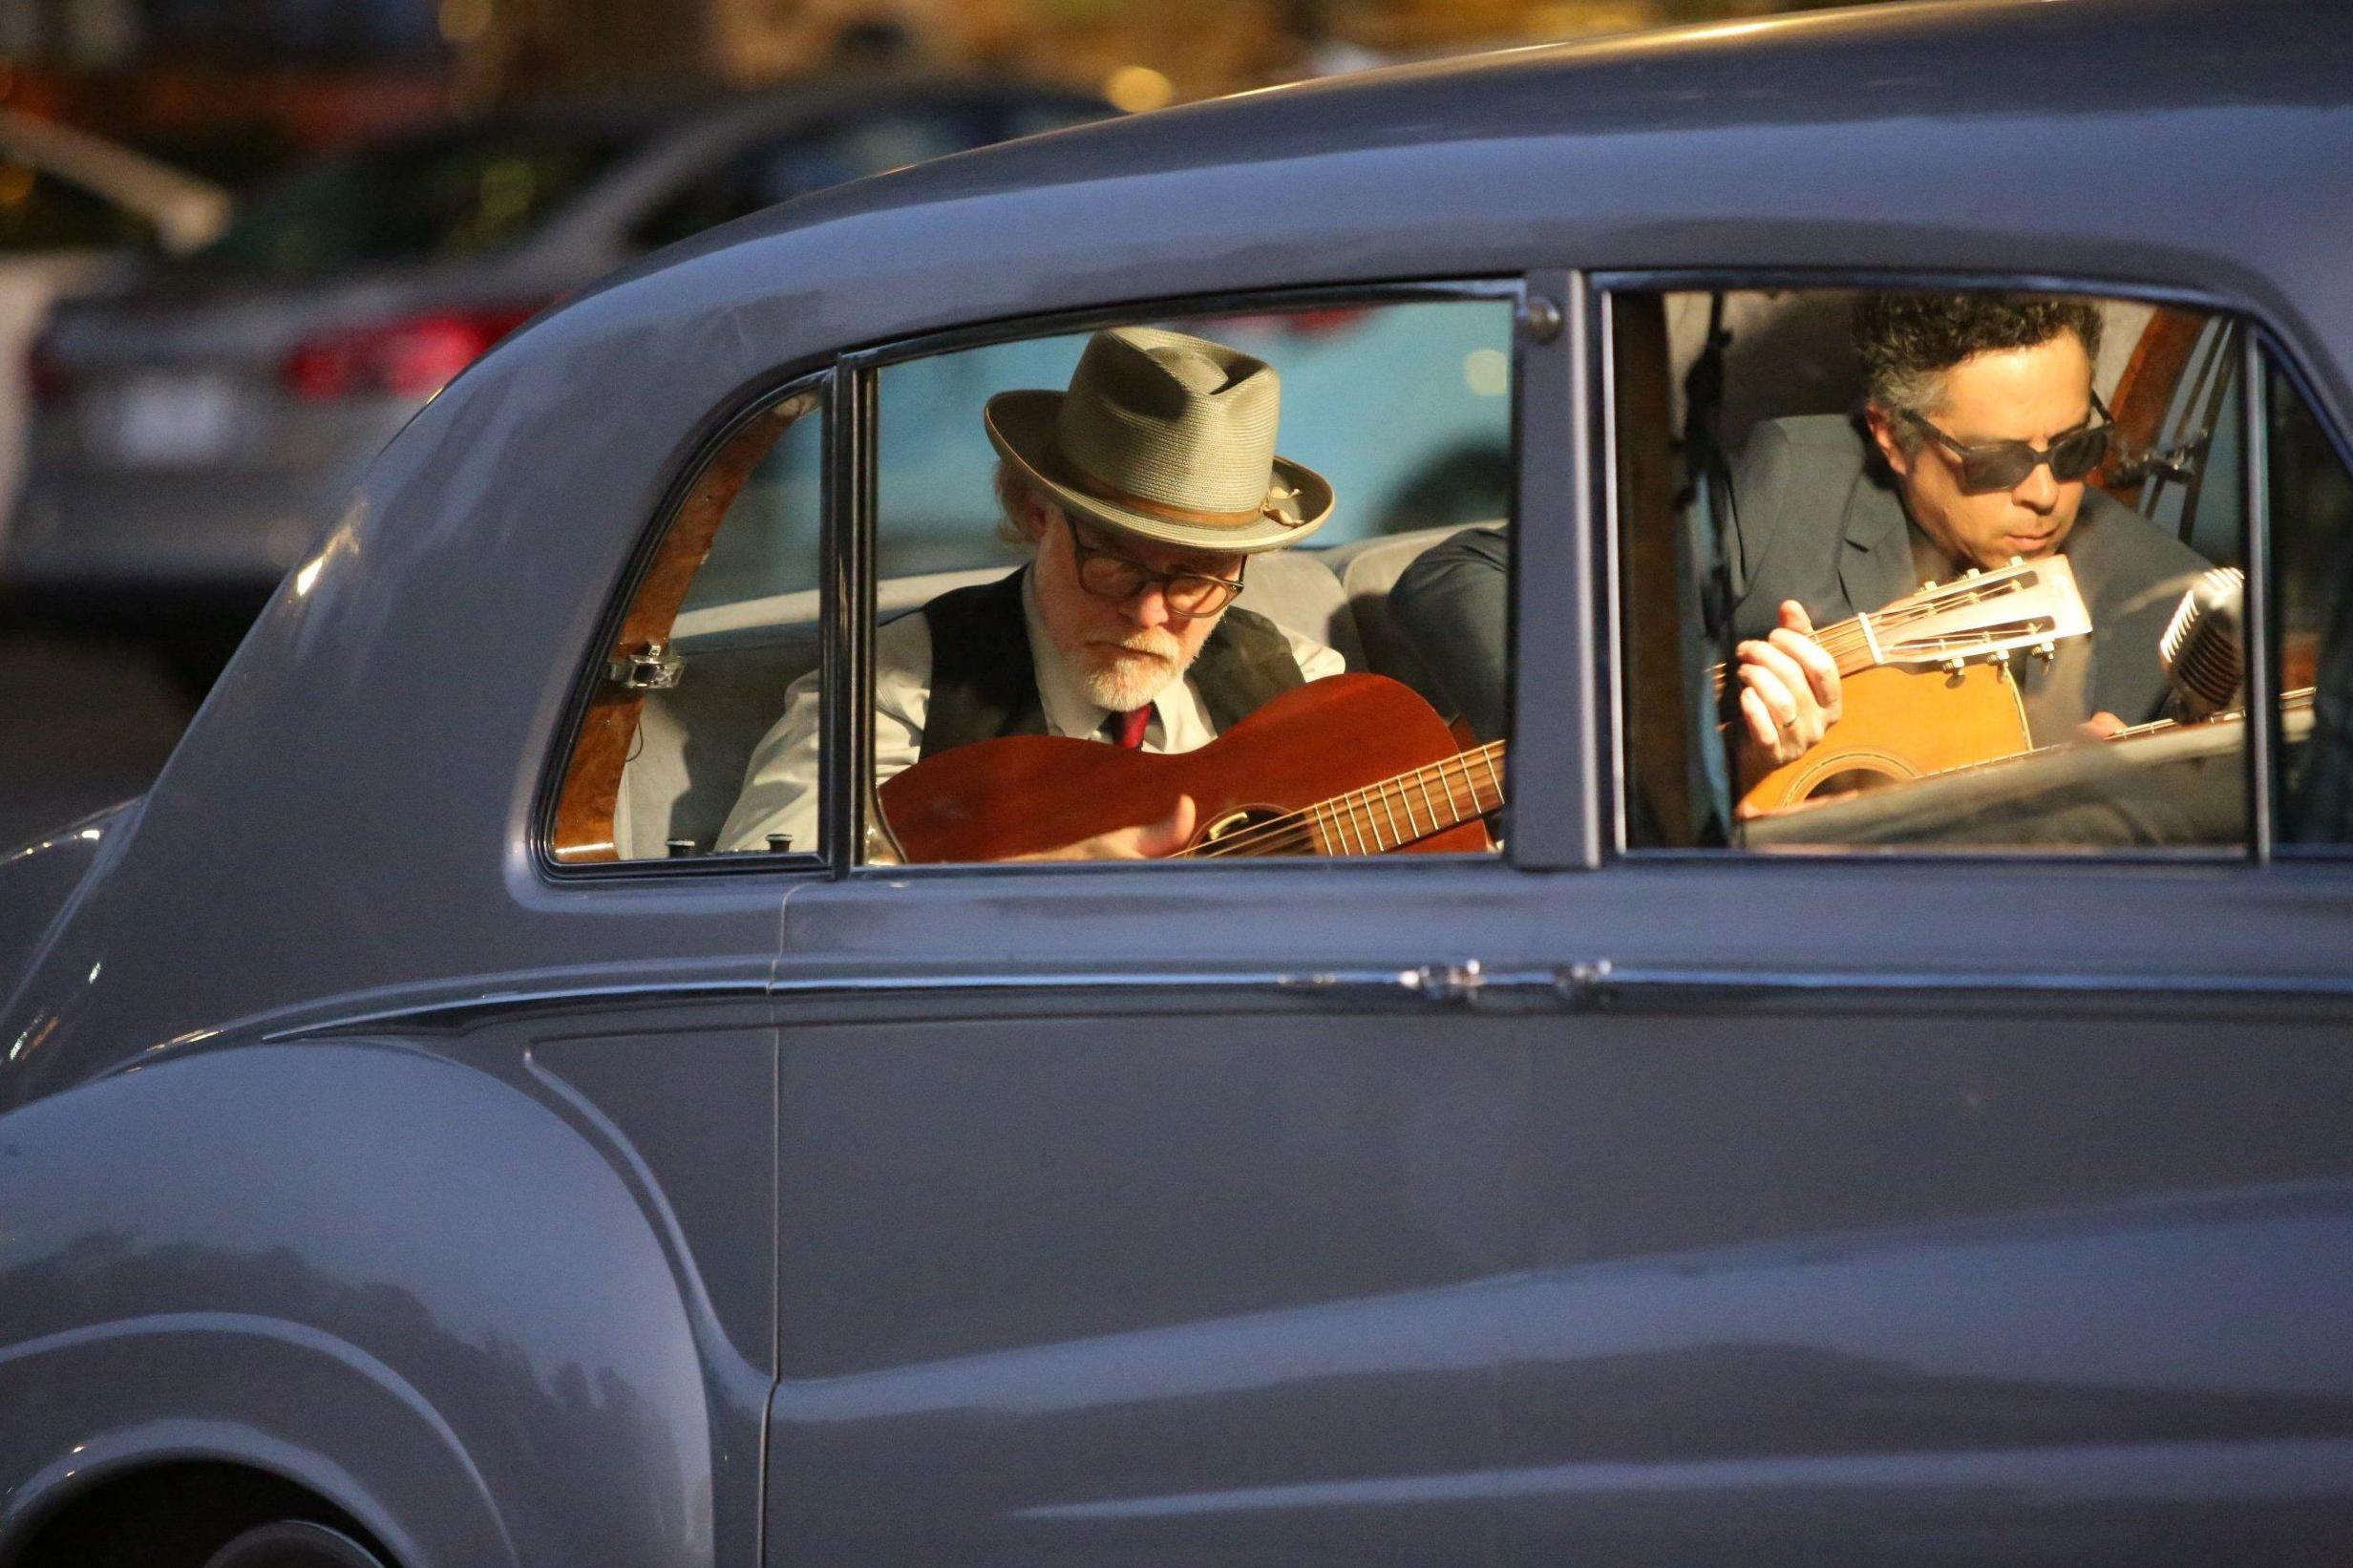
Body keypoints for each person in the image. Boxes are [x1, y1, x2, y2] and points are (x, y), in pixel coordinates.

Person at [1391, 290, 2211, 788]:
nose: (2044, 494)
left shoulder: (2167, 606)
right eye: (1993, 461)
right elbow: (1458, 576)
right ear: (1891, 437)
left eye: (2076, 448)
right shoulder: (1794, 486)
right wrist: (1651, 743)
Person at [717, 326, 1346, 858]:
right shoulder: (888, 698)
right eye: (1115, 562)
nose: (1150, 612)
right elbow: (758, 914)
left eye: (1196, 578)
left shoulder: (1302, 681)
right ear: (1036, 511)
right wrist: (1028, 893)